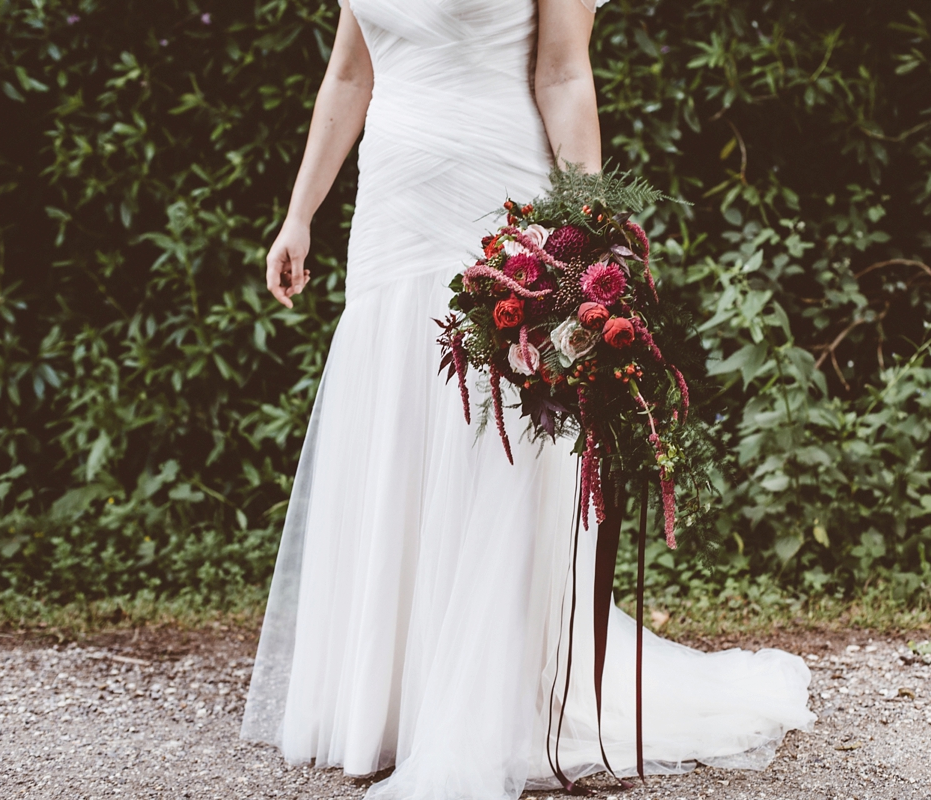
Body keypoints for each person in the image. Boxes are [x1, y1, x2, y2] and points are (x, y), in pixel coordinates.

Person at [241, 2, 815, 799]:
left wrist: (584, 230)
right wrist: (299, 216)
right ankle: (390, 697)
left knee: (492, 433)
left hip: (496, 198)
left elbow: (564, 71)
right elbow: (350, 72)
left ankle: (492, 700)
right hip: (392, 209)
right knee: (398, 422)